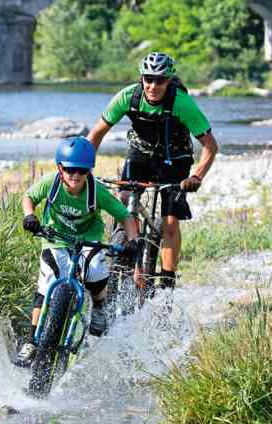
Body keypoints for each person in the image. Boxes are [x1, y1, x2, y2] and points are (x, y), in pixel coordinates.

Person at [86, 51, 218, 290]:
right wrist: (83, 168)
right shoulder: (128, 97)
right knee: (125, 200)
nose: (153, 85)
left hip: (174, 157)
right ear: (142, 78)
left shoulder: (182, 103)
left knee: (169, 222)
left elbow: (210, 146)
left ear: (169, 80)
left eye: (160, 80)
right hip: (140, 152)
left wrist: (196, 176)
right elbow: (96, 134)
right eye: (148, 79)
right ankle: (126, 254)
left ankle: (167, 282)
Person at [14, 137, 140, 367]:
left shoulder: (96, 192)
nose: (75, 175)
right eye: (70, 169)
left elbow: (125, 216)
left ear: (89, 171)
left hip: (88, 240)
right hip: (55, 238)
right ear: (60, 168)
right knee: (47, 281)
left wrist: (133, 239)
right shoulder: (51, 183)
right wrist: (29, 215)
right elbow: (28, 197)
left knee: (94, 271)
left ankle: (100, 307)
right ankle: (32, 341)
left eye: (81, 171)